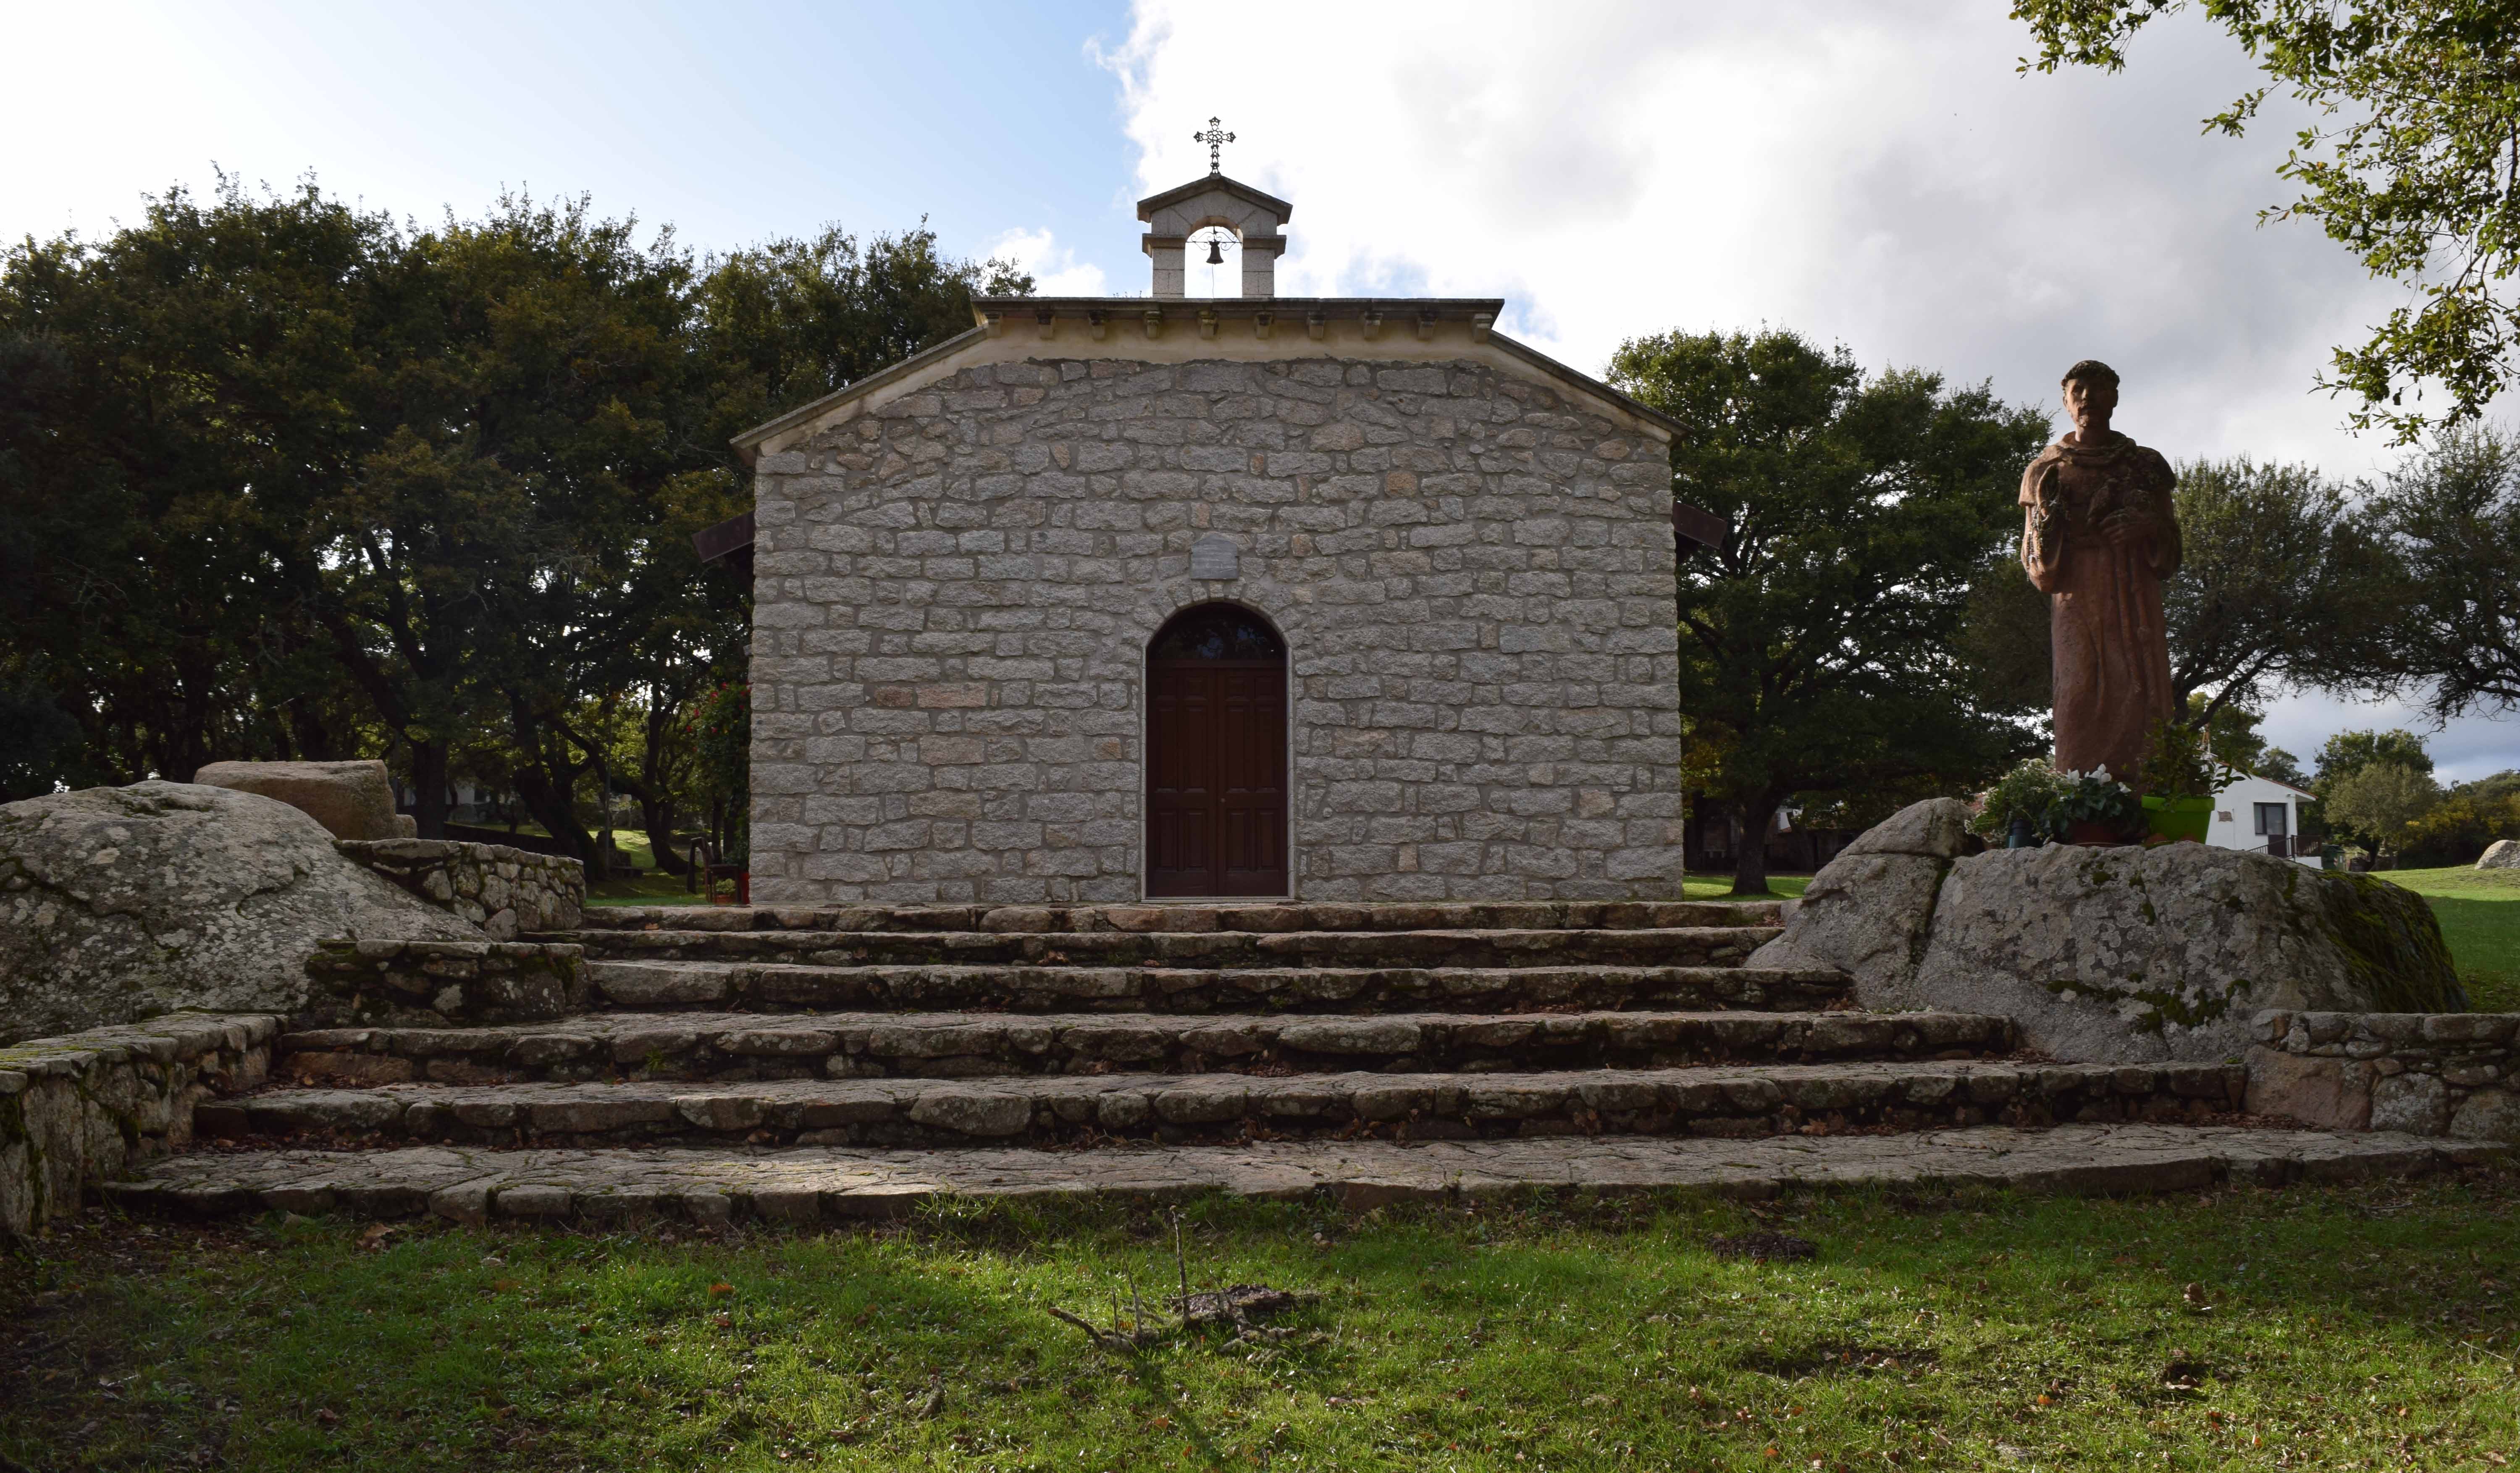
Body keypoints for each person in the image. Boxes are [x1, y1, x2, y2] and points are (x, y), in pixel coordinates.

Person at [2019, 360, 2181, 783]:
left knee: (2139, 688)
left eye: (2098, 389)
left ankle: (2146, 799)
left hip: (2134, 596)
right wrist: (2050, 529)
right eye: (2079, 390)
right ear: (2066, 401)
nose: (2088, 398)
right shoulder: (2045, 470)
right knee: (2077, 692)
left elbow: (2171, 548)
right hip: (2076, 595)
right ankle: (2080, 805)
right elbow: (2035, 563)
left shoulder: (2146, 465)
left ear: (2115, 398)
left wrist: (2146, 526)